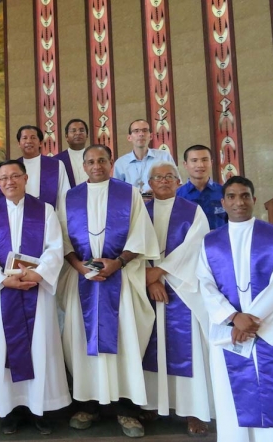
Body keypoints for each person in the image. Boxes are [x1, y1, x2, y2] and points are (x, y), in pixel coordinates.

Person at [59, 144, 159, 438]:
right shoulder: (70, 197)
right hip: (83, 283)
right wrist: (79, 267)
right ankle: (87, 404)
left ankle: (126, 409)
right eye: (90, 161)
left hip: (121, 280)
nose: (96, 165)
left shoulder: (128, 193)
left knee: (125, 340)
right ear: (83, 166)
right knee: (81, 340)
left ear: (111, 162)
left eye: (101, 160)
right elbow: (61, 239)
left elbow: (141, 233)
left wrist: (118, 263)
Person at [0, 160, 71, 435]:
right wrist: (3, 280)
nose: (8, 182)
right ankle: (10, 410)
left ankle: (40, 409)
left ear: (26, 178)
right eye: (3, 177)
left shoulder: (44, 210)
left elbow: (55, 247)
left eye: (15, 176)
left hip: (36, 293)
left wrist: (38, 275)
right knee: (5, 348)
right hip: (4, 294)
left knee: (40, 347)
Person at [198, 176, 273, 442]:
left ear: (254, 199)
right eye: (231, 196)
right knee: (231, 395)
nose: (238, 202)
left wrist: (250, 320)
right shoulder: (210, 242)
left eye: (244, 196)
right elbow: (204, 284)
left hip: (267, 327)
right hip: (228, 330)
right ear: (223, 202)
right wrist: (233, 318)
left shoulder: (271, 235)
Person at [140, 161, 212, 436]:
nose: (164, 181)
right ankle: (154, 403)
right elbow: (132, 248)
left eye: (170, 176)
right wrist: (151, 279)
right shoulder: (140, 212)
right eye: (158, 177)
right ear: (149, 183)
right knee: (150, 345)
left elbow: (195, 247)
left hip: (182, 289)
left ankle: (193, 410)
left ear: (179, 181)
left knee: (187, 347)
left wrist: (160, 272)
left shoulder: (193, 211)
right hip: (148, 287)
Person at [15, 125, 70, 212]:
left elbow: (64, 195)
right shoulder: (14, 167)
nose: (29, 141)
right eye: (25, 138)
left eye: (33, 138)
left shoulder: (56, 164)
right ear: (19, 143)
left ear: (40, 142)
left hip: (49, 217)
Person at [113, 119, 175, 195]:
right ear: (129, 137)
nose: (141, 134)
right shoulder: (121, 163)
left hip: (159, 202)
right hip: (131, 204)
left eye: (145, 130)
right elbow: (116, 190)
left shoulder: (164, 157)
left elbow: (176, 183)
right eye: (136, 131)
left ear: (151, 136)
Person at [176, 144, 227, 230]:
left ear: (211, 162)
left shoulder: (224, 192)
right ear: (185, 165)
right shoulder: (177, 196)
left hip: (219, 242)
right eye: (194, 160)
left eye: (204, 160)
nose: (200, 165)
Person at [54, 119, 89, 187]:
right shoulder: (57, 160)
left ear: (87, 135)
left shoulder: (94, 157)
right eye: (73, 131)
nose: (78, 133)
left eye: (81, 130)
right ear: (66, 136)